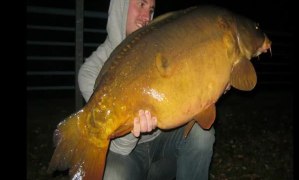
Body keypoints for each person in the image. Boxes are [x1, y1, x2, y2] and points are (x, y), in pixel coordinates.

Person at [78, 0, 215, 179]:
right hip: (127, 155)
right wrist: (134, 129)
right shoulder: (90, 72)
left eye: (150, 10)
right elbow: (119, 147)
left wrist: (216, 84)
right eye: (141, 5)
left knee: (201, 134)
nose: (146, 18)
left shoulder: (162, 47)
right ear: (121, 7)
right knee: (112, 175)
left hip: (163, 144)